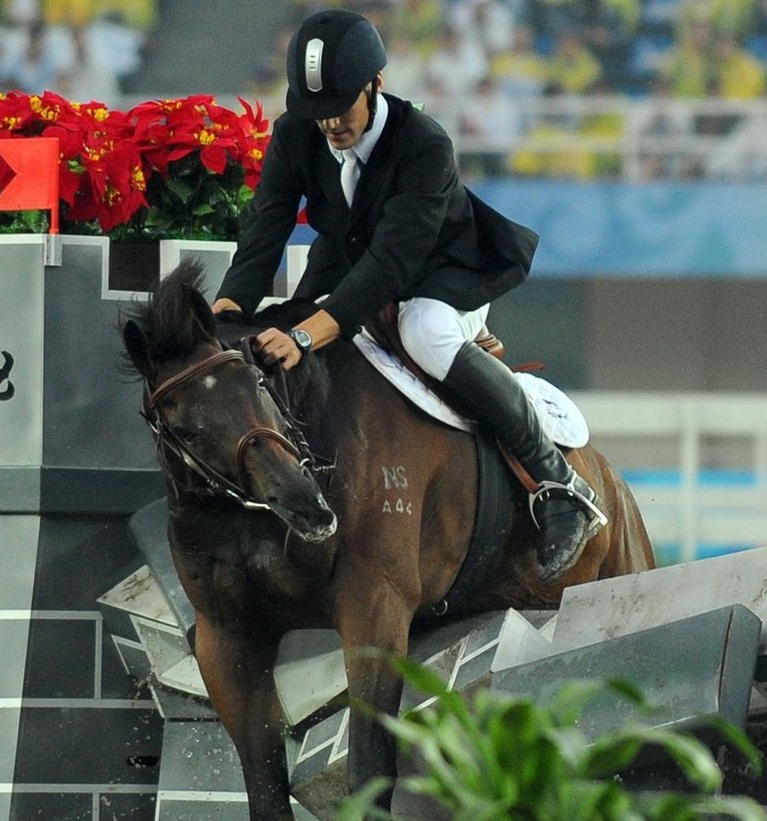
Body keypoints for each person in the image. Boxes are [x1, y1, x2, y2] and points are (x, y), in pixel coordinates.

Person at [211, 8, 605, 583]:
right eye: (316, 113)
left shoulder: (423, 144)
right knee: (277, 332)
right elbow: (267, 225)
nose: (329, 126)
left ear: (377, 83)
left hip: (444, 271)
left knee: (424, 333)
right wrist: (228, 312)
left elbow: (392, 265)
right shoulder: (296, 131)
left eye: (340, 108)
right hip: (348, 261)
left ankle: (560, 485)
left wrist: (306, 332)